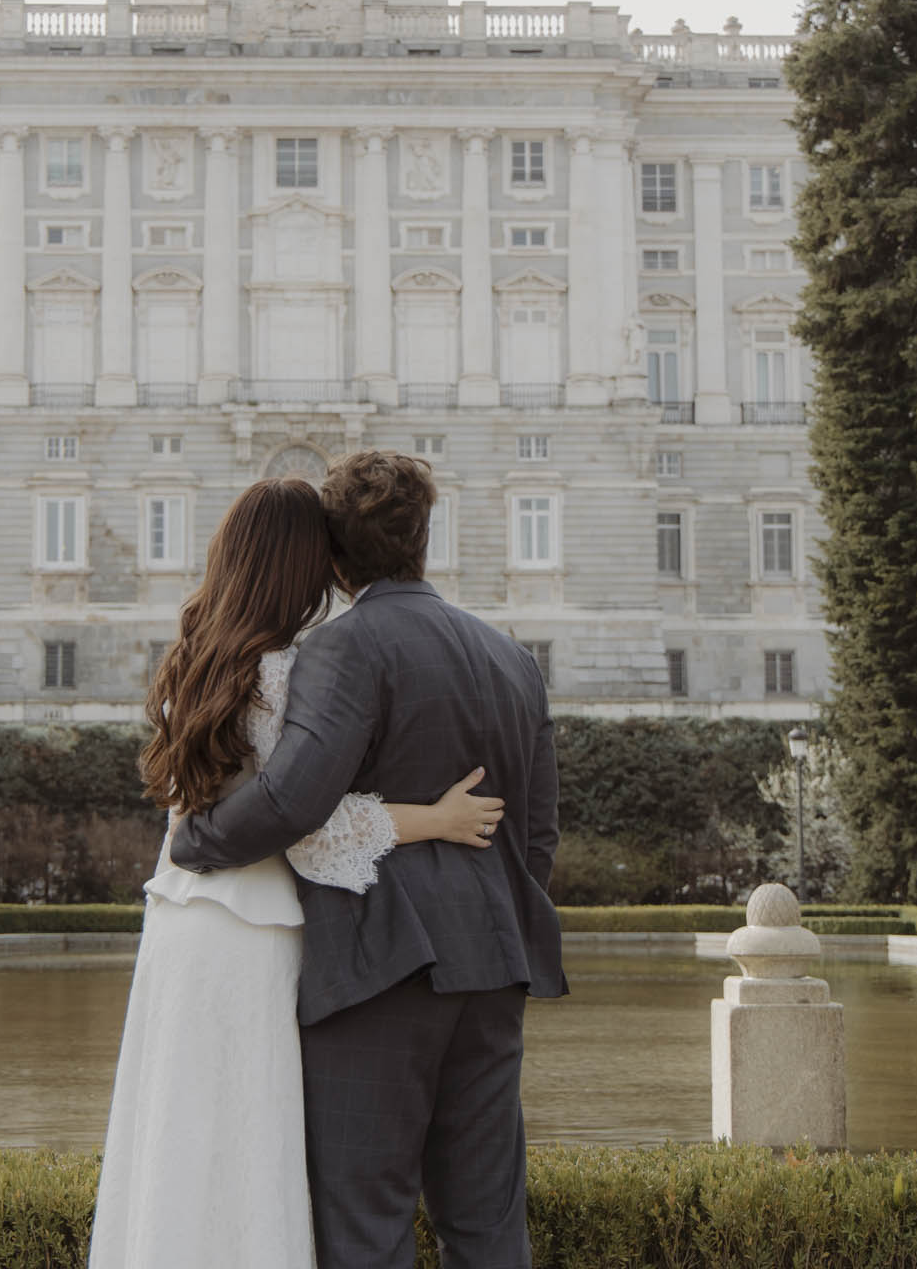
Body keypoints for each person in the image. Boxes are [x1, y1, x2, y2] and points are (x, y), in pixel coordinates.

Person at [89, 476, 507, 1269]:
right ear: (303, 564)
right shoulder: (288, 670)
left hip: (178, 930)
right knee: (252, 1147)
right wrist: (436, 819)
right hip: (255, 933)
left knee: (175, 1144)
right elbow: (302, 825)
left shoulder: (194, 658)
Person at [172, 450, 566, 1269]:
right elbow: (536, 838)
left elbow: (292, 800)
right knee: (489, 1225)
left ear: (338, 559)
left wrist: (196, 840)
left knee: (366, 1229)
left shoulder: (344, 650)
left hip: (382, 971)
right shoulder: (514, 659)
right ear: (425, 537)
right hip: (495, 968)